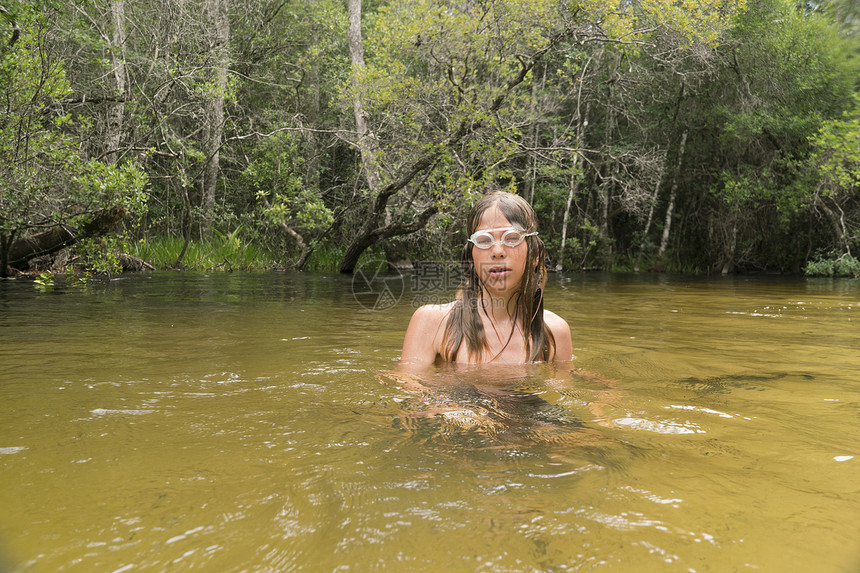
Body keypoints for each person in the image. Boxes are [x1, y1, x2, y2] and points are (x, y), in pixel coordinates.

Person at [400, 191, 572, 368]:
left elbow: (566, 388)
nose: (497, 251)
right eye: (484, 240)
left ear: (536, 255)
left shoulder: (555, 332)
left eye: (512, 238)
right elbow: (408, 387)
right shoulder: (433, 322)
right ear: (472, 258)